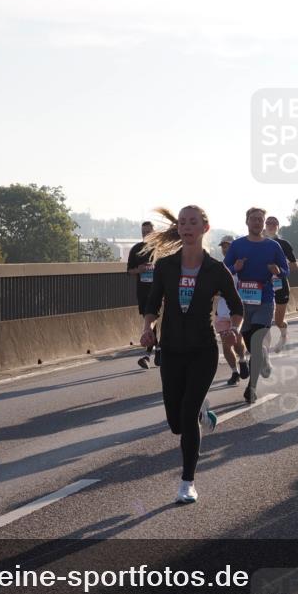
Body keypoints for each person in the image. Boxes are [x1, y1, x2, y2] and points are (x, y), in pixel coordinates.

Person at [140, 206, 243, 504]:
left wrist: (233, 329)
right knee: (176, 423)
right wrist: (148, 328)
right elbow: (152, 304)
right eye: (182, 222)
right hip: (171, 349)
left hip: (202, 350)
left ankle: (187, 482)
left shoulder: (215, 269)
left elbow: (237, 307)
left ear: (204, 228)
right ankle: (201, 412)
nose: (186, 227)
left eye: (192, 222)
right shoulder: (166, 266)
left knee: (186, 418)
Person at [224, 207, 289, 404]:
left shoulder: (273, 246)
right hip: (242, 302)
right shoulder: (237, 245)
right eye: (253, 219)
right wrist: (235, 268)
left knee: (256, 341)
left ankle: (251, 387)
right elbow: (223, 270)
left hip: (265, 300)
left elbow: (285, 270)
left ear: (263, 223)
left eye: (260, 219)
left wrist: (278, 271)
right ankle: (262, 355)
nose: (257, 222)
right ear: (247, 222)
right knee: (251, 344)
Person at [217, 235, 249, 385]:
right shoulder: (219, 267)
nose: (225, 249)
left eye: (228, 246)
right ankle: (234, 372)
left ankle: (242, 359)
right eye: (223, 246)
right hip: (223, 311)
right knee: (225, 343)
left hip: (238, 312)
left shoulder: (245, 265)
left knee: (237, 342)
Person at [127, 221, 160, 369]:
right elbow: (129, 271)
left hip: (159, 291)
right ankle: (157, 349)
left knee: (152, 319)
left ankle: (148, 354)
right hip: (143, 292)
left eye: (148, 232)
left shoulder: (161, 249)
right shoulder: (136, 249)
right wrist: (138, 270)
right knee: (150, 322)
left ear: (154, 232)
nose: (146, 234)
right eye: (143, 232)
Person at [264, 216, 298, 354]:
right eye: (268, 223)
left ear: (278, 226)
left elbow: (295, 265)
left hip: (280, 284)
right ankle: (262, 347)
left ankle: (284, 335)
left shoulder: (284, 244)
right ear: (265, 225)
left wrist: (280, 269)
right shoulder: (258, 242)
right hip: (263, 285)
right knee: (263, 319)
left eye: (274, 223)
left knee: (278, 321)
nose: (271, 225)